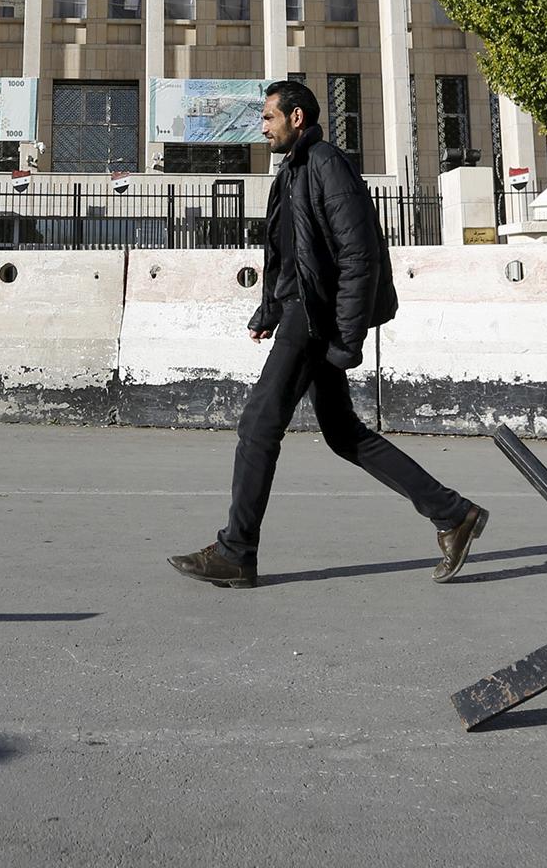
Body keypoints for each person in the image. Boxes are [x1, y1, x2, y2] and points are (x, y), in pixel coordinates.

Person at [168, 80, 487, 589]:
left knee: (258, 425)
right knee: (343, 433)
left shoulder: (326, 164)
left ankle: (236, 552)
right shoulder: (292, 171)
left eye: (269, 117)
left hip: (316, 319)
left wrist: (346, 337)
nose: (263, 127)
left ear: (296, 117)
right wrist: (268, 309)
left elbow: (358, 256)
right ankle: (452, 513)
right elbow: (291, 254)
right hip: (299, 311)